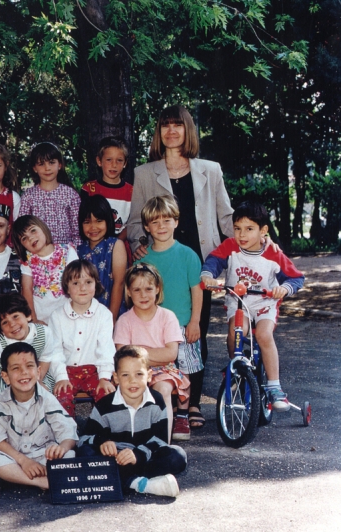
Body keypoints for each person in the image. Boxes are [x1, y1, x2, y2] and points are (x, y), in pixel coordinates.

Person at [127, 105, 234, 428]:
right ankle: (167, 399)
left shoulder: (210, 170)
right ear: (158, 132)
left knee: (194, 331)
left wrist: (249, 248)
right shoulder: (145, 173)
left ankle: (194, 402)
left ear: (189, 130)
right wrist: (138, 242)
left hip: (200, 264)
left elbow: (225, 217)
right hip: (160, 264)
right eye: (165, 125)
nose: (172, 131)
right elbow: (134, 222)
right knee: (160, 329)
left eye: (178, 125)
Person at [201, 201, 304, 411]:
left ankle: (275, 386)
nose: (242, 235)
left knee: (264, 335)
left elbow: (296, 278)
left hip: (265, 302)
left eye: (249, 229)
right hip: (238, 301)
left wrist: (283, 289)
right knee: (236, 331)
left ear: (263, 231)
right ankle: (236, 366)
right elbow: (214, 261)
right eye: (237, 229)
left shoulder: (273, 253)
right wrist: (208, 276)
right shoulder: (230, 247)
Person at [77, 346, 187, 498]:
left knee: (178, 455)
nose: (132, 381)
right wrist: (102, 442)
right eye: (125, 375)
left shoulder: (157, 401)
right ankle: (141, 484)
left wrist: (138, 455)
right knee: (85, 453)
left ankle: (123, 480)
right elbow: (83, 440)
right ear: (115, 378)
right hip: (115, 458)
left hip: (143, 457)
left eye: (139, 374)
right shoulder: (104, 406)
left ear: (149, 376)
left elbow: (160, 441)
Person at [137, 195, 203, 432]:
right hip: (153, 328)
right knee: (158, 369)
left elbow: (197, 291)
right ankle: (162, 410)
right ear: (147, 226)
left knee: (185, 369)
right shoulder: (142, 259)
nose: (161, 227)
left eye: (167, 220)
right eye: (155, 222)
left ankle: (182, 413)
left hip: (183, 325)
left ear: (176, 222)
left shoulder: (188, 255)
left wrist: (195, 321)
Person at [0, 342, 78, 491]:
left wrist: (60, 448)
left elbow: (68, 431)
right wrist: (24, 462)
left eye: (29, 366)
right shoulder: (1, 401)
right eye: (16, 368)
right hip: (15, 457)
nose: (24, 372)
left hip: (43, 456)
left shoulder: (47, 398)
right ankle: (42, 482)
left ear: (38, 371)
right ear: (5, 377)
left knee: (70, 454)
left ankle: (13, 479)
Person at [0, 294, 62, 449]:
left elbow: (45, 356)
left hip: (34, 375)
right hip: (1, 377)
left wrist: (38, 381)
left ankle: (41, 444)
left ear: (28, 315)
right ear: (0, 330)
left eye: (16, 316)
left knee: (47, 397)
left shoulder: (43, 333)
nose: (13, 325)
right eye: (5, 322)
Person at [113, 263, 189, 442]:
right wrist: (153, 355)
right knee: (129, 387)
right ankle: (131, 438)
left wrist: (138, 352)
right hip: (133, 371)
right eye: (137, 290)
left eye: (148, 288)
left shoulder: (167, 316)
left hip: (164, 370)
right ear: (129, 292)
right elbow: (122, 355)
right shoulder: (125, 320)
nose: (143, 295)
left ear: (157, 289)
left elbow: (170, 354)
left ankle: (164, 442)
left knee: (162, 390)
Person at [48, 260, 116, 417]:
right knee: (61, 395)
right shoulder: (57, 316)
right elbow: (55, 351)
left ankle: (102, 434)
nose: (83, 288)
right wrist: (61, 377)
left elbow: (106, 349)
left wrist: (105, 377)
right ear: (67, 288)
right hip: (67, 370)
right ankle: (67, 435)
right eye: (76, 283)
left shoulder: (104, 314)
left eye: (88, 282)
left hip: (94, 371)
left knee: (107, 396)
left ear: (95, 284)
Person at [12, 215, 78, 324]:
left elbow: (77, 283)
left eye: (33, 230)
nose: (31, 238)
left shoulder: (67, 251)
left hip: (68, 316)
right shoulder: (27, 261)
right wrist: (33, 320)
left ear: (43, 228)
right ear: (22, 246)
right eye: (24, 238)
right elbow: (27, 289)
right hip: (41, 318)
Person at [17, 141, 81, 247]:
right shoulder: (29, 196)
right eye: (41, 164)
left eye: (51, 162)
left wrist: (74, 254)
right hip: (38, 253)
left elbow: (77, 231)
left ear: (59, 165)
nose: (47, 168)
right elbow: (22, 228)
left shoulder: (70, 194)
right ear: (34, 168)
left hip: (66, 254)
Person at [76, 195, 129, 322]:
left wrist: (111, 320)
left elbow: (119, 283)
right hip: (85, 316)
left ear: (108, 221)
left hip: (113, 312)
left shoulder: (115, 245)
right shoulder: (78, 250)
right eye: (87, 222)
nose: (93, 227)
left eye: (99, 221)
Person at [81, 136, 134, 243]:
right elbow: (83, 220)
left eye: (119, 160)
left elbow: (133, 223)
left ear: (125, 163)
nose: (114, 165)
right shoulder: (89, 188)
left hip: (120, 245)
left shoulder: (132, 191)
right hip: (93, 243)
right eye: (109, 160)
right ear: (99, 161)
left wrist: (115, 243)